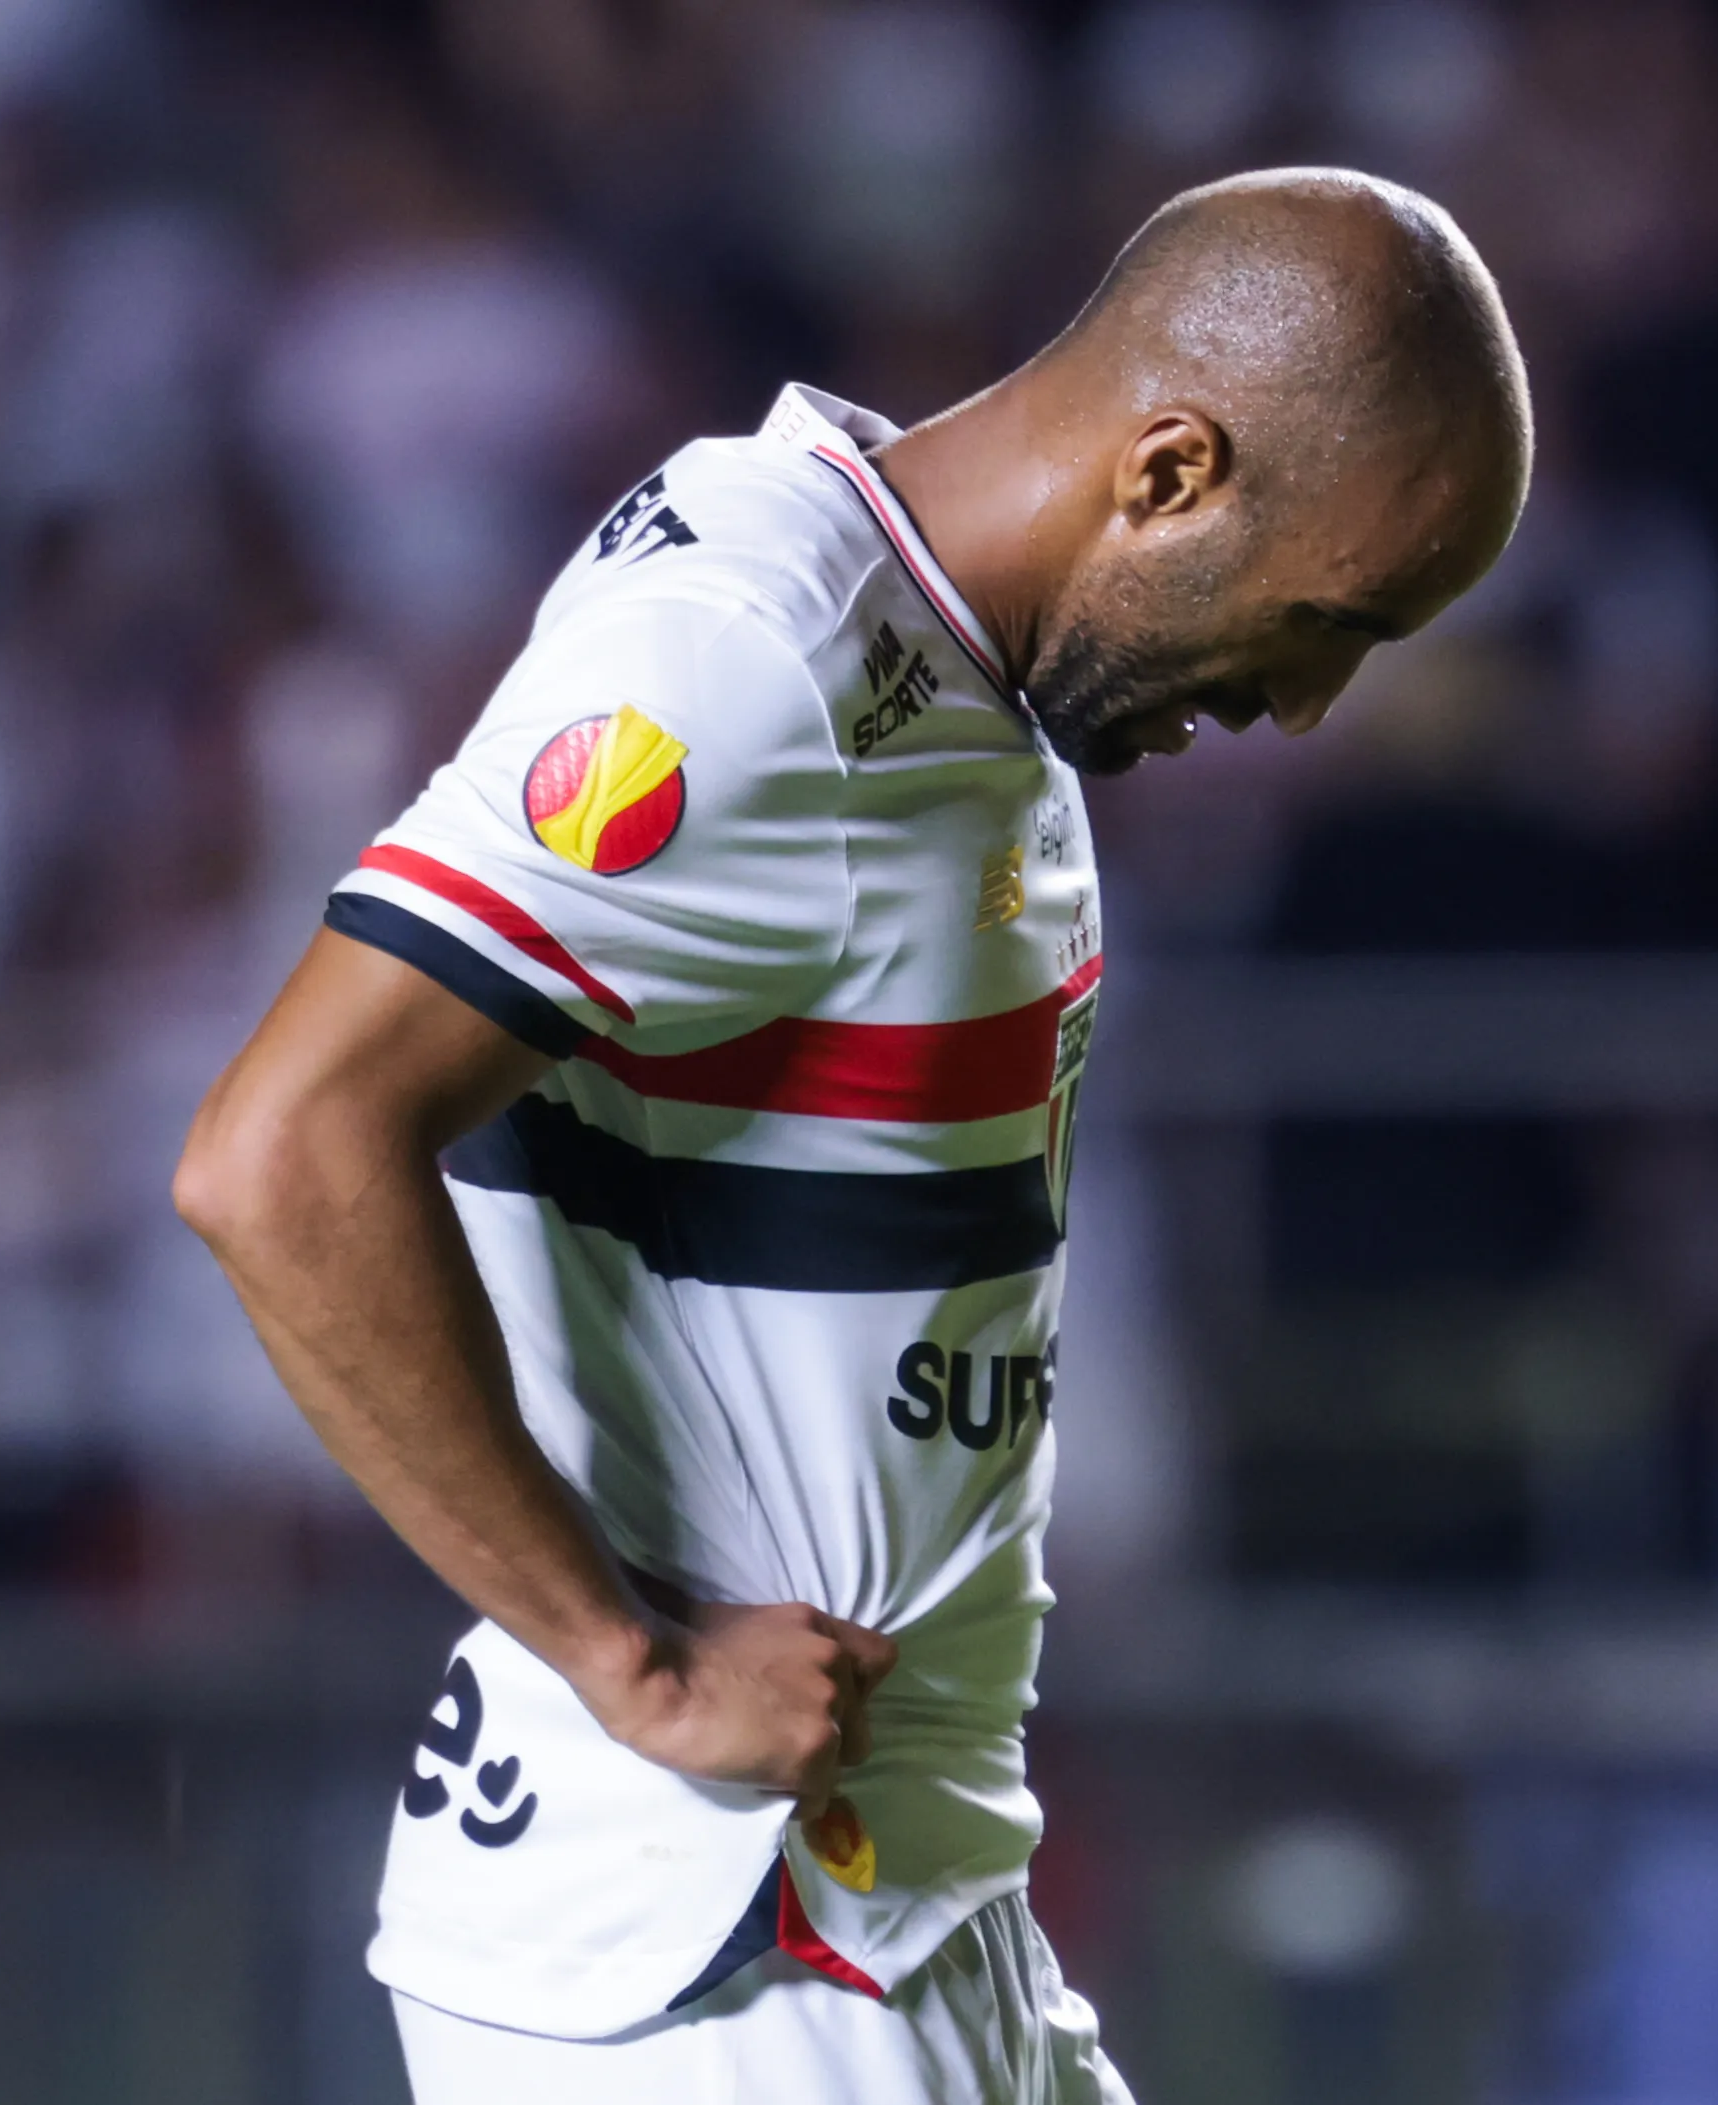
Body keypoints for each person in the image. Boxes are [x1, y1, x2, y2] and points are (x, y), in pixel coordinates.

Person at [172, 168, 1531, 2102]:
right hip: (726, 1950)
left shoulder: (909, 646)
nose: (1308, 707)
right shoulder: (753, 666)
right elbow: (278, 1154)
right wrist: (631, 1664)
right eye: (1333, 622)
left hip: (896, 1916)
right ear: (1168, 472)